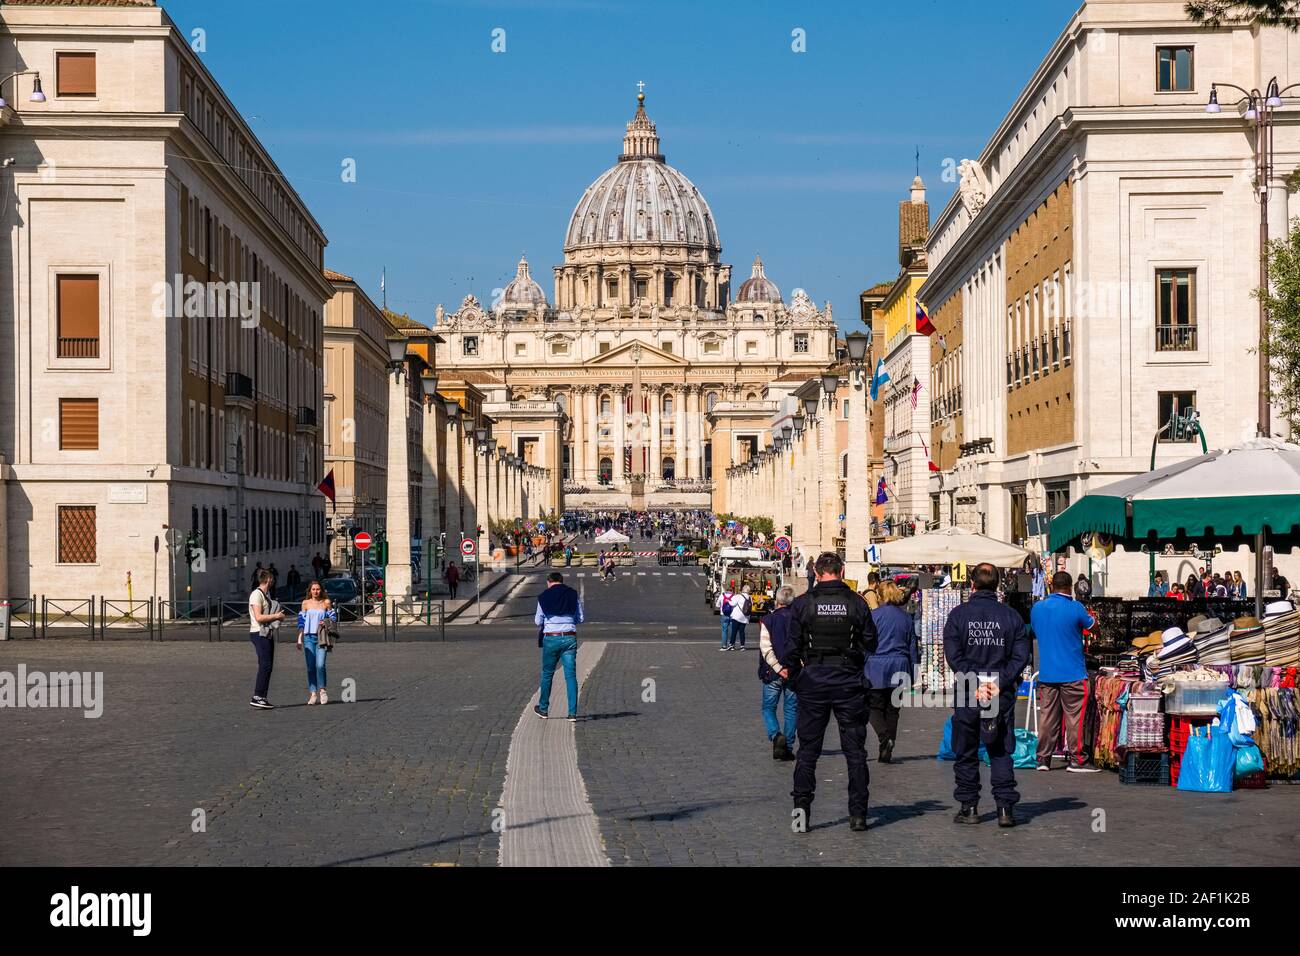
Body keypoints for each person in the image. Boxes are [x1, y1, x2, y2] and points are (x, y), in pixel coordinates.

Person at [786, 552, 877, 833]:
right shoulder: (856, 602)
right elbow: (871, 641)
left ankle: (801, 813)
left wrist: (797, 676)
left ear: (817, 571)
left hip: (813, 680)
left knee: (808, 752)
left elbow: (790, 648)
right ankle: (858, 815)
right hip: (848, 682)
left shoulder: (803, 604)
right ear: (841, 570)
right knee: (855, 753)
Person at [942, 562, 1031, 828]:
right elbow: (1020, 656)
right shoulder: (1011, 616)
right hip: (998, 693)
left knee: (966, 750)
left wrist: (976, 680)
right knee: (1000, 750)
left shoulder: (958, 616)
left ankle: (969, 807)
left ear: (972, 584)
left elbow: (954, 656)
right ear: (997, 585)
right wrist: (998, 682)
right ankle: (1005, 808)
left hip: (969, 692)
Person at [1030, 570, 1100, 774]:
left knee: (1047, 718)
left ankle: (1043, 758)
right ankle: (1077, 759)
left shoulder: (1037, 608)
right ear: (1070, 587)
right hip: (1073, 674)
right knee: (1074, 719)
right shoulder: (1075, 607)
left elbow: (1036, 630)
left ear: (1052, 586)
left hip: (1047, 673)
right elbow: (1093, 628)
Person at [865, 581, 918, 764]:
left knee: (873, 706)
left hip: (876, 666)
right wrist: (913, 672)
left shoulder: (874, 616)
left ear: (880, 596)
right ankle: (888, 744)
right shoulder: (906, 618)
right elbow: (913, 648)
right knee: (893, 709)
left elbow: (866, 644)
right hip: (900, 666)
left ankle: (884, 737)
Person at [533, 572, 585, 721]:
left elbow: (538, 621)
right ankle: (572, 713)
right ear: (561, 581)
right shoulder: (572, 594)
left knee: (548, 673)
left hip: (551, 638)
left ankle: (543, 709)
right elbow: (580, 617)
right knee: (570, 675)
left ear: (549, 582)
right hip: (569, 637)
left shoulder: (543, 597)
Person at [758, 586, 799, 762]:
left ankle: (775, 736)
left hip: (773, 672)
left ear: (778, 600)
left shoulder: (768, 620)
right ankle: (788, 746)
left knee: (768, 708)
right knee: (791, 710)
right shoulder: (799, 620)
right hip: (793, 671)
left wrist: (777, 667)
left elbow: (766, 648)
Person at [248, 569, 286, 710]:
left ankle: (262, 696)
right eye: (272, 579)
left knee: (268, 665)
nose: (273, 581)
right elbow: (258, 617)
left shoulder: (266, 594)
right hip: (259, 633)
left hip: (266, 632)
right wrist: (277, 616)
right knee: (265, 665)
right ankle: (258, 696)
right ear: (268, 579)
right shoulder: (256, 595)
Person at [296, 580, 337, 706]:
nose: (315, 591)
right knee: (310, 666)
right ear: (310, 591)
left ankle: (322, 690)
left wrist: (325, 621)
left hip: (321, 637)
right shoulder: (305, 603)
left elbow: (333, 618)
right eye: (313, 589)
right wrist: (299, 639)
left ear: (321, 590)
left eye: (318, 589)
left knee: (320, 665)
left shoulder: (326, 602)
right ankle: (313, 693)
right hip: (308, 637)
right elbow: (301, 622)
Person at [730, 584, 752, 650]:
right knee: (742, 631)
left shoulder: (738, 596)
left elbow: (732, 603)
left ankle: (732, 645)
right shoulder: (750, 598)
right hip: (745, 617)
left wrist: (728, 601)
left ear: (742, 589)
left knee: (734, 631)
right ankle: (742, 646)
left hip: (737, 616)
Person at [716, 583, 738, 651]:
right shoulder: (734, 596)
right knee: (732, 630)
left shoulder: (721, 596)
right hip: (732, 615)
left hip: (724, 615)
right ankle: (732, 645)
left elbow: (717, 605)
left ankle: (724, 646)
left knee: (724, 630)